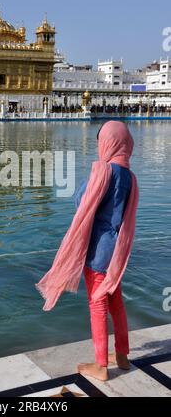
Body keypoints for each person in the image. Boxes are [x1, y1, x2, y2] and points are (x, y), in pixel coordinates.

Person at [36, 121, 139, 381]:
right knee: (116, 302)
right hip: (118, 251)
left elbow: (81, 200)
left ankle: (101, 366)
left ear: (108, 143)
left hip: (98, 252)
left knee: (97, 304)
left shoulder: (104, 171)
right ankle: (123, 356)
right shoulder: (130, 176)